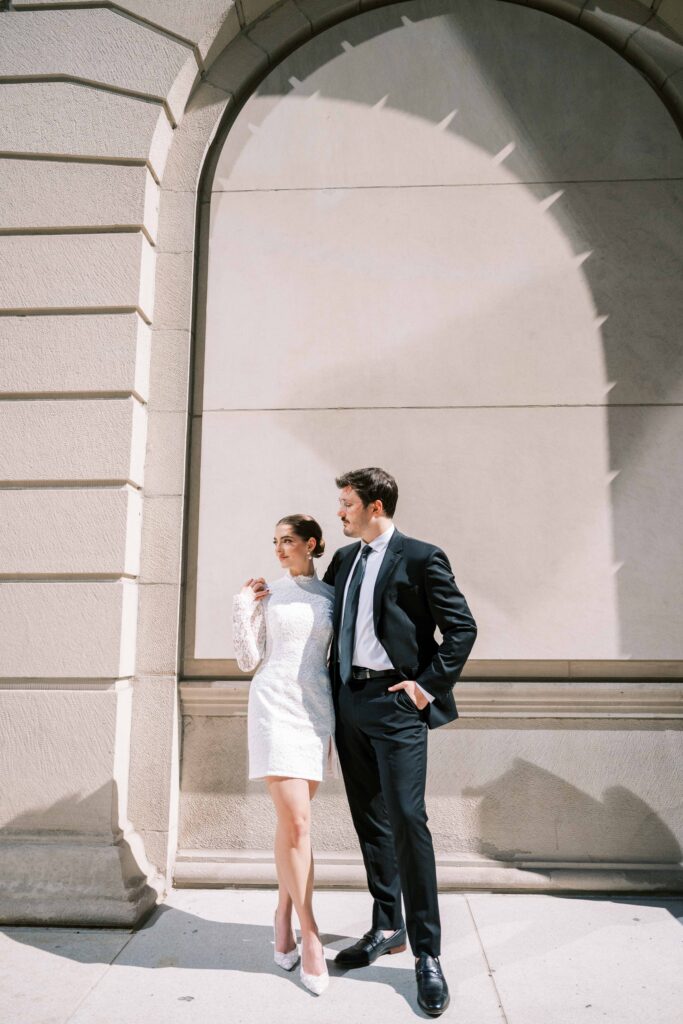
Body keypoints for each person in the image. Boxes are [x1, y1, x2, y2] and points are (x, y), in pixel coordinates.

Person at [321, 467, 477, 1017]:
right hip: (351, 704)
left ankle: (428, 954)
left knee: (409, 820)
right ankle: (387, 925)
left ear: (376, 505)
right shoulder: (344, 560)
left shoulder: (420, 557)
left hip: (396, 704)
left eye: (346, 503)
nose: (339, 512)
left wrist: (425, 688)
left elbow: (462, 629)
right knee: (370, 819)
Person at [232, 514, 337, 996]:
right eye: (274, 541)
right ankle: (310, 933)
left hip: (315, 710)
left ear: (311, 544)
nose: (279, 549)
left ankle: (282, 914)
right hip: (274, 704)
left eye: (288, 541)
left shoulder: (333, 597)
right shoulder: (266, 593)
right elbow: (248, 659)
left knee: (293, 826)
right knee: (297, 825)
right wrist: (242, 607)